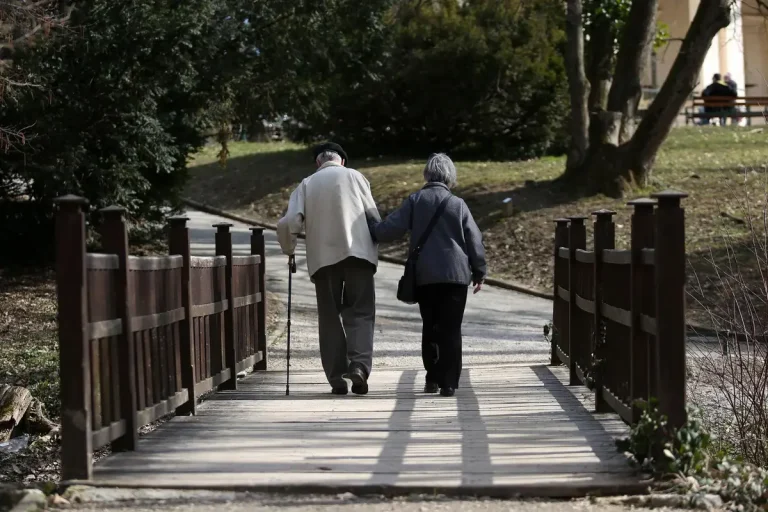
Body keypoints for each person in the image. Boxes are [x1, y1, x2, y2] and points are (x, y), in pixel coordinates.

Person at [368, 153, 487, 397]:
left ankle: (432, 378)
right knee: (451, 329)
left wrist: (371, 225)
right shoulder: (458, 204)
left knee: (430, 326)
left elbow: (389, 230)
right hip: (455, 276)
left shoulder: (416, 200)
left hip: (425, 275)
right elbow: (474, 240)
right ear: (450, 177)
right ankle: (450, 382)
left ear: (427, 174)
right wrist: (479, 271)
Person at [276, 142, 380, 396]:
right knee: (361, 313)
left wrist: (289, 250)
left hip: (324, 261)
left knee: (330, 317)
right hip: (360, 257)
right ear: (342, 161)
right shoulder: (357, 177)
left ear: (318, 163)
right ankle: (358, 367)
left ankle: (336, 379)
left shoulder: (307, 184)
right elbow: (373, 216)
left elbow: (290, 222)